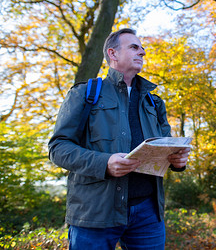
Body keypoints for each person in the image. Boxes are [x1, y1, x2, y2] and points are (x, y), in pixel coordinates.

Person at [48, 28, 190, 250]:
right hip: (94, 212)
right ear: (112, 54)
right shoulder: (84, 94)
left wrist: (177, 162)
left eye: (142, 48)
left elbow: (166, 148)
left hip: (148, 214)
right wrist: (104, 163)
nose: (142, 52)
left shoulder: (154, 103)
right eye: (134, 47)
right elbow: (58, 148)